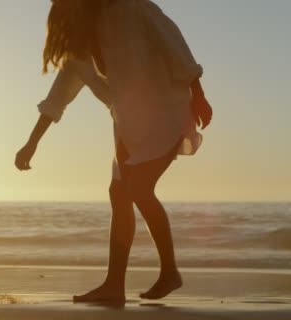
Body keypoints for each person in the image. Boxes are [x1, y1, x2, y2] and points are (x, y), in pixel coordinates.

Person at [15, 0, 212, 302]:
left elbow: (172, 41)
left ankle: (170, 272)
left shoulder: (131, 8)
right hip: (129, 125)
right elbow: (57, 100)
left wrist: (198, 93)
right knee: (120, 194)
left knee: (139, 189)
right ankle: (114, 286)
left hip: (166, 109)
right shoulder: (79, 53)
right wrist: (32, 142)